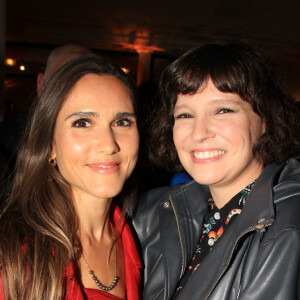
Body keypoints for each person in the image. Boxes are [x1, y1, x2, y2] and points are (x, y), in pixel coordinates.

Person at [132, 42, 300, 299]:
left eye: (223, 110)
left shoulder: (287, 230)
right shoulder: (156, 210)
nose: (199, 133)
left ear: (265, 120)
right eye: (185, 115)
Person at [0, 54, 141, 299]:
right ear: (50, 145)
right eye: (83, 123)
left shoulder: (137, 237)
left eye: (122, 121)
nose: (108, 144)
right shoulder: (13, 256)